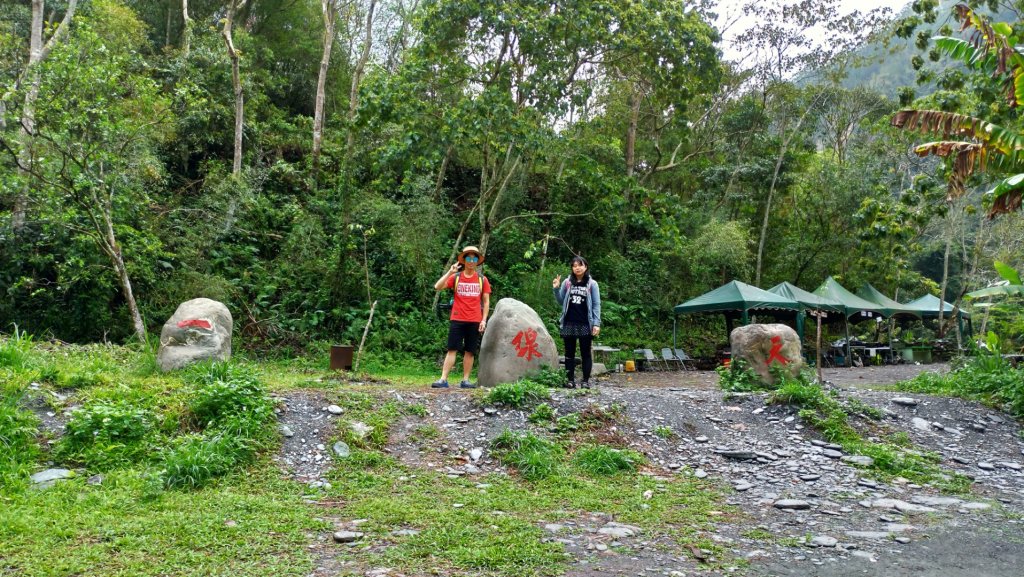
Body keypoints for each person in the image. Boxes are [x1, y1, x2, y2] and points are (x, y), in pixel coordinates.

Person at [432, 245, 491, 388]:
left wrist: (484, 320)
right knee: (452, 349)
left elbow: (486, 301)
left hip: (475, 320)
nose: (471, 260)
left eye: (474, 258)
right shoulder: (456, 277)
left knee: (470, 351)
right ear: (464, 260)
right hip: (457, 318)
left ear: (477, 261)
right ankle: (443, 379)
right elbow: (437, 287)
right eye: (468, 258)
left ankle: (465, 380)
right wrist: (449, 272)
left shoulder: (482, 280)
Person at [552, 255, 601, 388]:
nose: (577, 268)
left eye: (580, 265)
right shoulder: (567, 282)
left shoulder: (592, 284)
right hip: (569, 322)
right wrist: (556, 289)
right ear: (572, 268)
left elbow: (596, 305)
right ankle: (570, 380)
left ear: (585, 267)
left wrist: (596, 323)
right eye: (574, 266)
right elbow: (561, 301)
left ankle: (585, 381)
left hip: (586, 322)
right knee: (569, 353)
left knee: (585, 352)